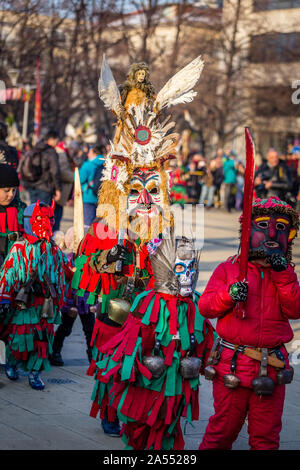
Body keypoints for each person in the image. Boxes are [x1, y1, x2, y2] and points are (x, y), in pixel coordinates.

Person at [94, 232, 215, 450]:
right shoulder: (148, 302)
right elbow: (130, 347)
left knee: (168, 425)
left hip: (176, 381)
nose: (187, 276)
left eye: (191, 269)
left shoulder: (195, 304)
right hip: (148, 381)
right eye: (180, 269)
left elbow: (206, 341)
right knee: (141, 424)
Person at [198, 196, 300, 450]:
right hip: (233, 363)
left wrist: (284, 276)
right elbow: (206, 306)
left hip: (271, 366)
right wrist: (229, 295)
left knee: (266, 436)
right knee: (222, 430)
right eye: (263, 225)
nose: (273, 233)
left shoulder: (286, 274)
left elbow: (295, 309)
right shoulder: (229, 269)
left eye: (282, 228)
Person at [0, 200, 72, 390]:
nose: (45, 223)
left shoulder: (54, 249)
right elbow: (8, 274)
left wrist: (81, 262)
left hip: (46, 302)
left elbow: (66, 271)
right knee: (20, 334)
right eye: (41, 218)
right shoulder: (19, 248)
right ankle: (12, 363)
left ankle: (34, 373)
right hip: (25, 301)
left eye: (48, 218)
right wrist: (5, 297)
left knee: (42, 338)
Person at [49, 226, 96, 366]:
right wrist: (68, 305)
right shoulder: (68, 259)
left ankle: (92, 356)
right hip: (71, 300)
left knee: (90, 330)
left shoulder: (91, 260)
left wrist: (94, 302)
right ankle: (55, 351)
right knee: (65, 328)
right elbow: (66, 283)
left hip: (86, 301)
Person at [20, 130, 62, 206]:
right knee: (43, 213)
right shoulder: (51, 152)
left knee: (33, 212)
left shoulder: (35, 148)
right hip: (45, 188)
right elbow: (55, 171)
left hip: (31, 185)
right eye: (57, 141)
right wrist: (58, 189)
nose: (57, 143)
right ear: (52, 139)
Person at [78, 145, 106, 226]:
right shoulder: (106, 163)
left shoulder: (88, 165)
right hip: (102, 197)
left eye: (89, 152)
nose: (88, 154)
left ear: (94, 153)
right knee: (99, 224)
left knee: (87, 223)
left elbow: (80, 178)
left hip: (89, 197)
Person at [53, 141, 74, 232]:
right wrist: (74, 176)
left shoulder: (63, 154)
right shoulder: (61, 154)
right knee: (56, 217)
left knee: (57, 216)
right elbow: (62, 172)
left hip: (62, 191)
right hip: (60, 190)